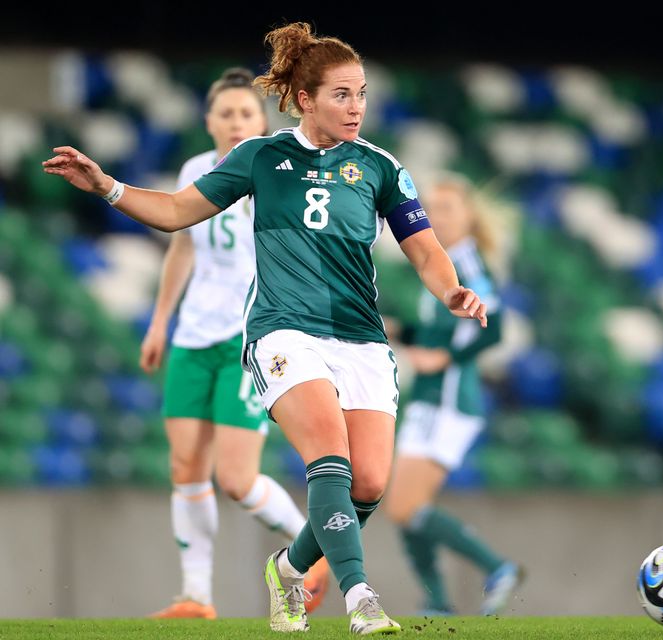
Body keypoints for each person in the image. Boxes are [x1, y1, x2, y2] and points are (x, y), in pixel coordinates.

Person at [43, 21, 489, 635]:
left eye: (360, 93)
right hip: (283, 331)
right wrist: (108, 186)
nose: (356, 106)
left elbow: (425, 249)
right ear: (305, 99)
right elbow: (177, 213)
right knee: (328, 455)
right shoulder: (260, 156)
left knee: (370, 483)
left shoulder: (381, 166)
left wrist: (451, 290)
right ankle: (360, 597)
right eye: (341, 94)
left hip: (359, 337)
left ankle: (287, 567)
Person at [139, 67, 328, 619]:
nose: (236, 122)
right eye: (226, 114)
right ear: (210, 122)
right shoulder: (197, 170)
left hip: (251, 337)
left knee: (237, 478)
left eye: (246, 113)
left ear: (261, 119)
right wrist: (159, 321)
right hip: (194, 336)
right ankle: (196, 596)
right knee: (185, 467)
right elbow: (184, 247)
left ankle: (311, 553)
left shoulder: (280, 168)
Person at [384, 173, 523, 616]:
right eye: (431, 208)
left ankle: (496, 567)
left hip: (447, 399)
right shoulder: (442, 261)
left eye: (446, 208)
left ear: (467, 216)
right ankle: (438, 602)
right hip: (430, 397)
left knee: (404, 506)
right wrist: (401, 331)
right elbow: (437, 330)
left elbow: (494, 327)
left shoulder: (469, 262)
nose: (436, 216)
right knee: (406, 508)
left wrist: (446, 359)